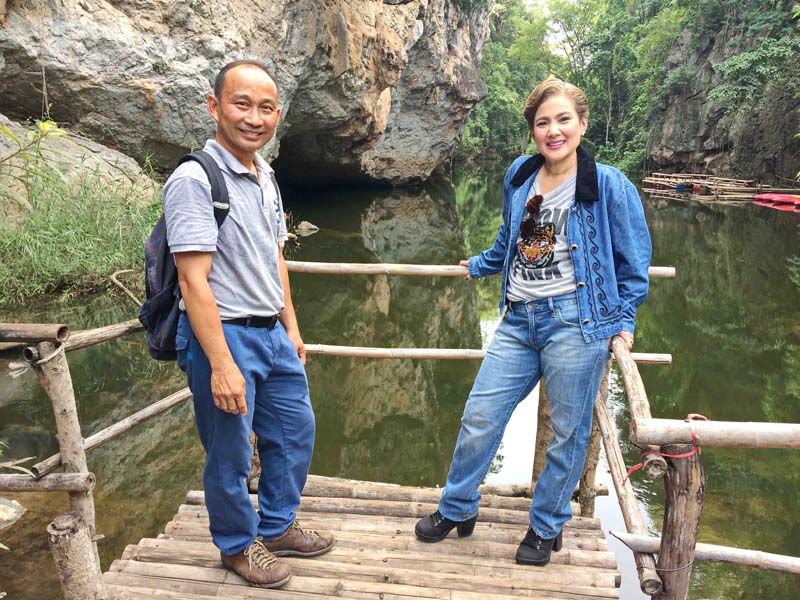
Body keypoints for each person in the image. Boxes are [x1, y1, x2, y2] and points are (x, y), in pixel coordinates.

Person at [415, 76, 651, 566]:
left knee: (568, 432)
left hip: (577, 324)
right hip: (518, 320)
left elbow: (634, 261)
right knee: (480, 416)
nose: (553, 130)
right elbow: (511, 239)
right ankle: (457, 506)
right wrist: (481, 264)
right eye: (543, 122)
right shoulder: (520, 175)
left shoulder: (608, 184)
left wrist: (624, 319)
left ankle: (546, 526)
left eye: (564, 119)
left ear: (582, 124)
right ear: (533, 131)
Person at [164, 59, 334, 588]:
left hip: (271, 332)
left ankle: (277, 526)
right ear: (214, 107)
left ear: (278, 115)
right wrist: (220, 364)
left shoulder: (265, 175)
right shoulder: (195, 179)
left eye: (266, 108)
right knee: (231, 450)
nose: (254, 118)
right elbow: (192, 280)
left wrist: (292, 327)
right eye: (241, 104)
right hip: (225, 334)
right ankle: (238, 545)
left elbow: (274, 257)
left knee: (294, 430)